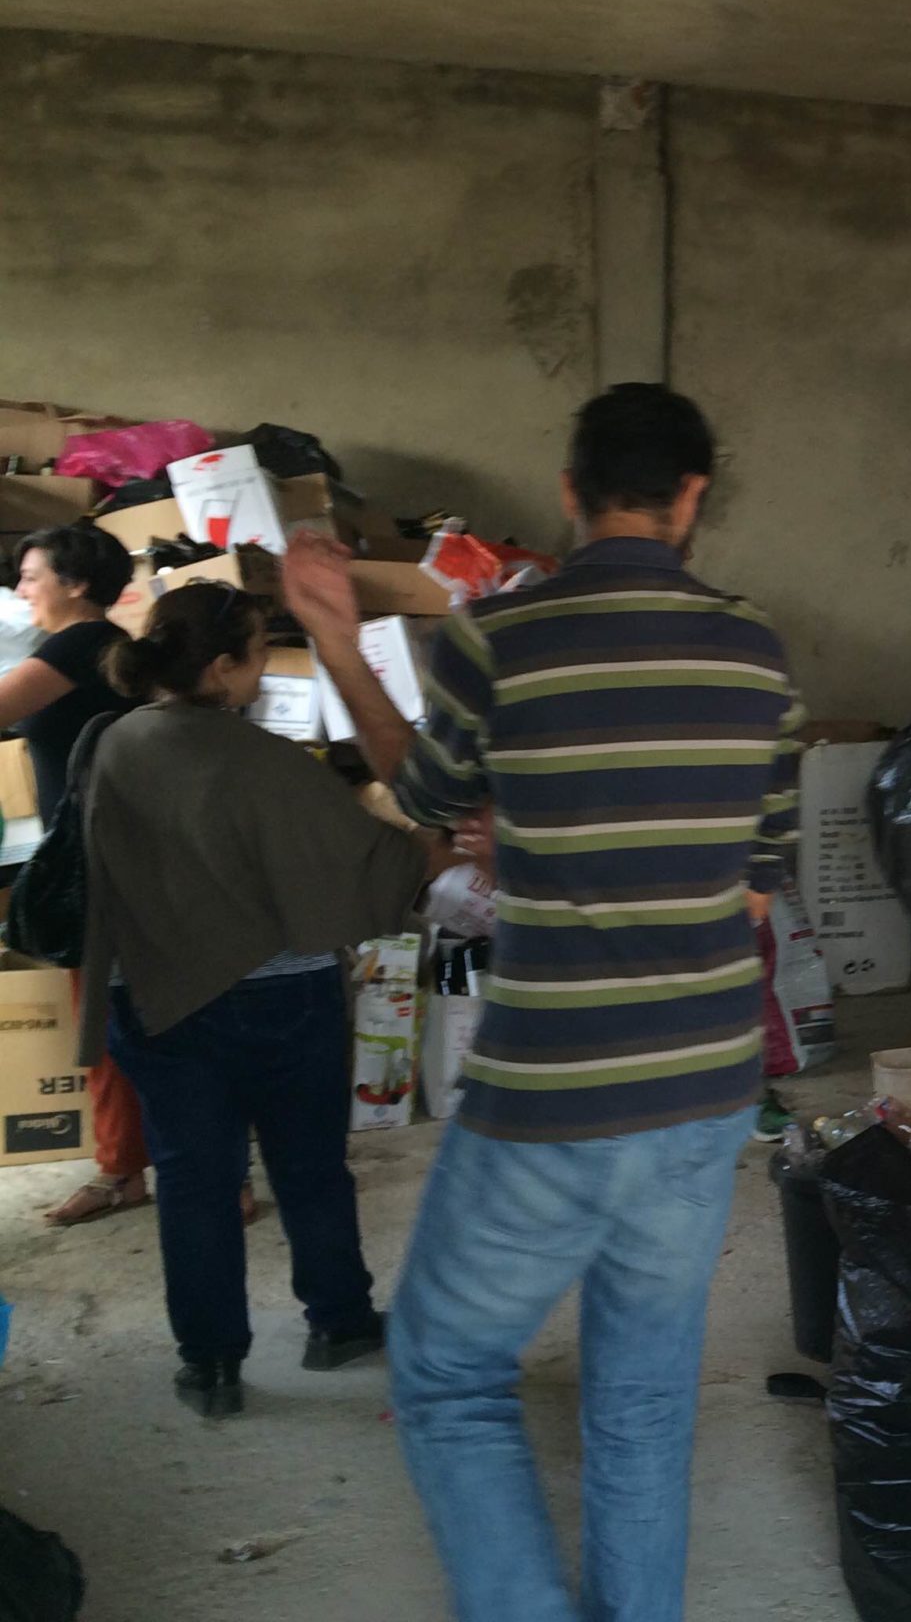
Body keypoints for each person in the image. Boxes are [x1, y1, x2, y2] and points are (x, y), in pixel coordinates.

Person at [289, 383, 803, 1622]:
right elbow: (750, 886)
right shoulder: (758, 654)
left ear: (571, 493)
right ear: (693, 498)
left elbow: (421, 800)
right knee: (643, 1407)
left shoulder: (499, 637)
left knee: (447, 1368)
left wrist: (339, 645)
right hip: (706, 1087)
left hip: (555, 1093)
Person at [79, 582, 444, 1417]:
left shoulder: (113, 743)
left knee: (194, 1185)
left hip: (158, 998)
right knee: (310, 1169)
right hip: (281, 1000)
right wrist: (441, 845)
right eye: (255, 653)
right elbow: (359, 857)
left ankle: (210, 1366)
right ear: (222, 667)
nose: (260, 671)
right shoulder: (263, 759)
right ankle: (339, 1323)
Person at [4, 525, 152, 1227]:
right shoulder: (100, 645)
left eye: (31, 576)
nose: (20, 589)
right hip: (104, 854)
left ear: (78, 584)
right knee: (117, 1014)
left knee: (116, 1016)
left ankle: (143, 1169)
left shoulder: (78, 645)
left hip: (105, 859)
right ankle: (129, 1166)